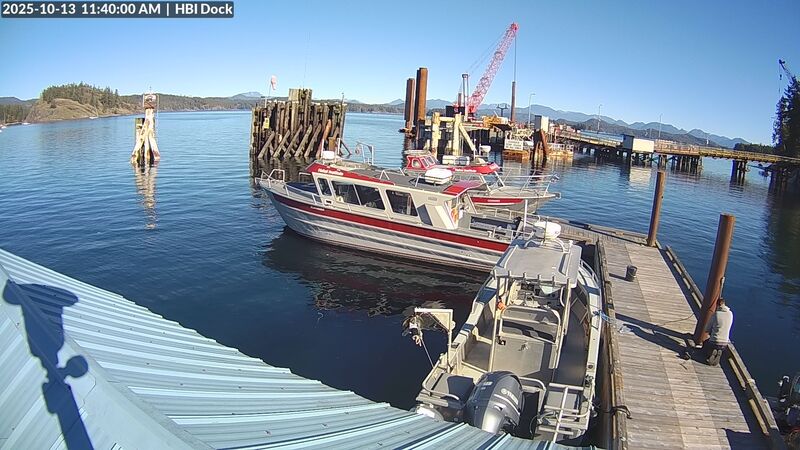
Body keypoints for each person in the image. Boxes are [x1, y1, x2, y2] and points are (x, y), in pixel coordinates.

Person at [703, 297, 734, 366]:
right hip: (724, 342)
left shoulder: (716, 314)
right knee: (720, 345)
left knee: (705, 344)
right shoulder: (730, 314)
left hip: (714, 341)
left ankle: (710, 353)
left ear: (717, 305)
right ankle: (719, 350)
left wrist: (708, 331)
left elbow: (707, 329)